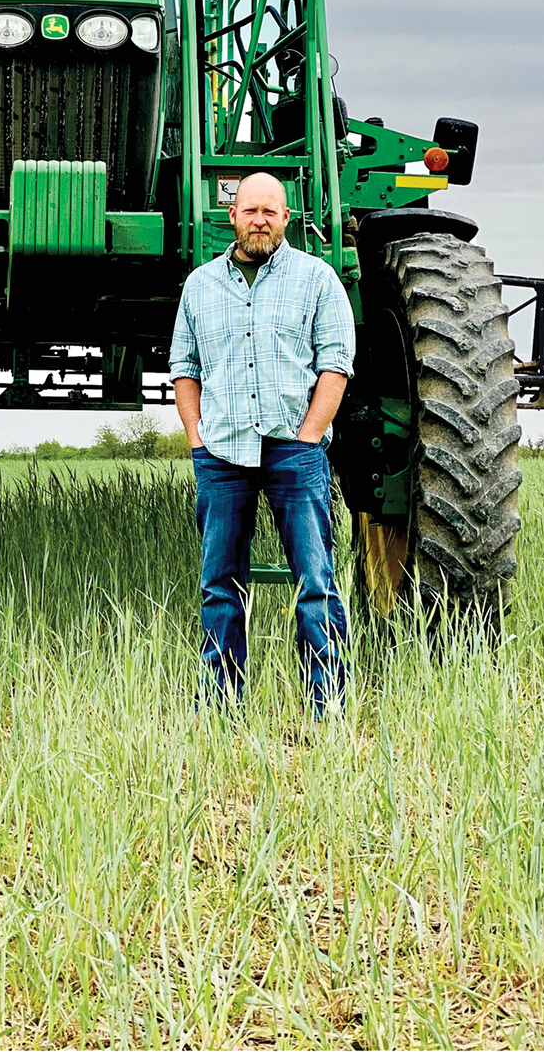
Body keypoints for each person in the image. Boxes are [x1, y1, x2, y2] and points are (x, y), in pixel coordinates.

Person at [169, 171, 355, 715]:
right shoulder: (200, 285)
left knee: (316, 582)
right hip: (222, 455)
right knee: (219, 584)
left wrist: (310, 435)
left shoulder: (318, 279)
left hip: (294, 451)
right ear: (232, 216)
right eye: (250, 210)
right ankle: (219, 707)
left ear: (286, 218)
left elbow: (336, 365)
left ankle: (327, 706)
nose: (259, 220)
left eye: (269, 211)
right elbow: (184, 367)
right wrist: (196, 437)